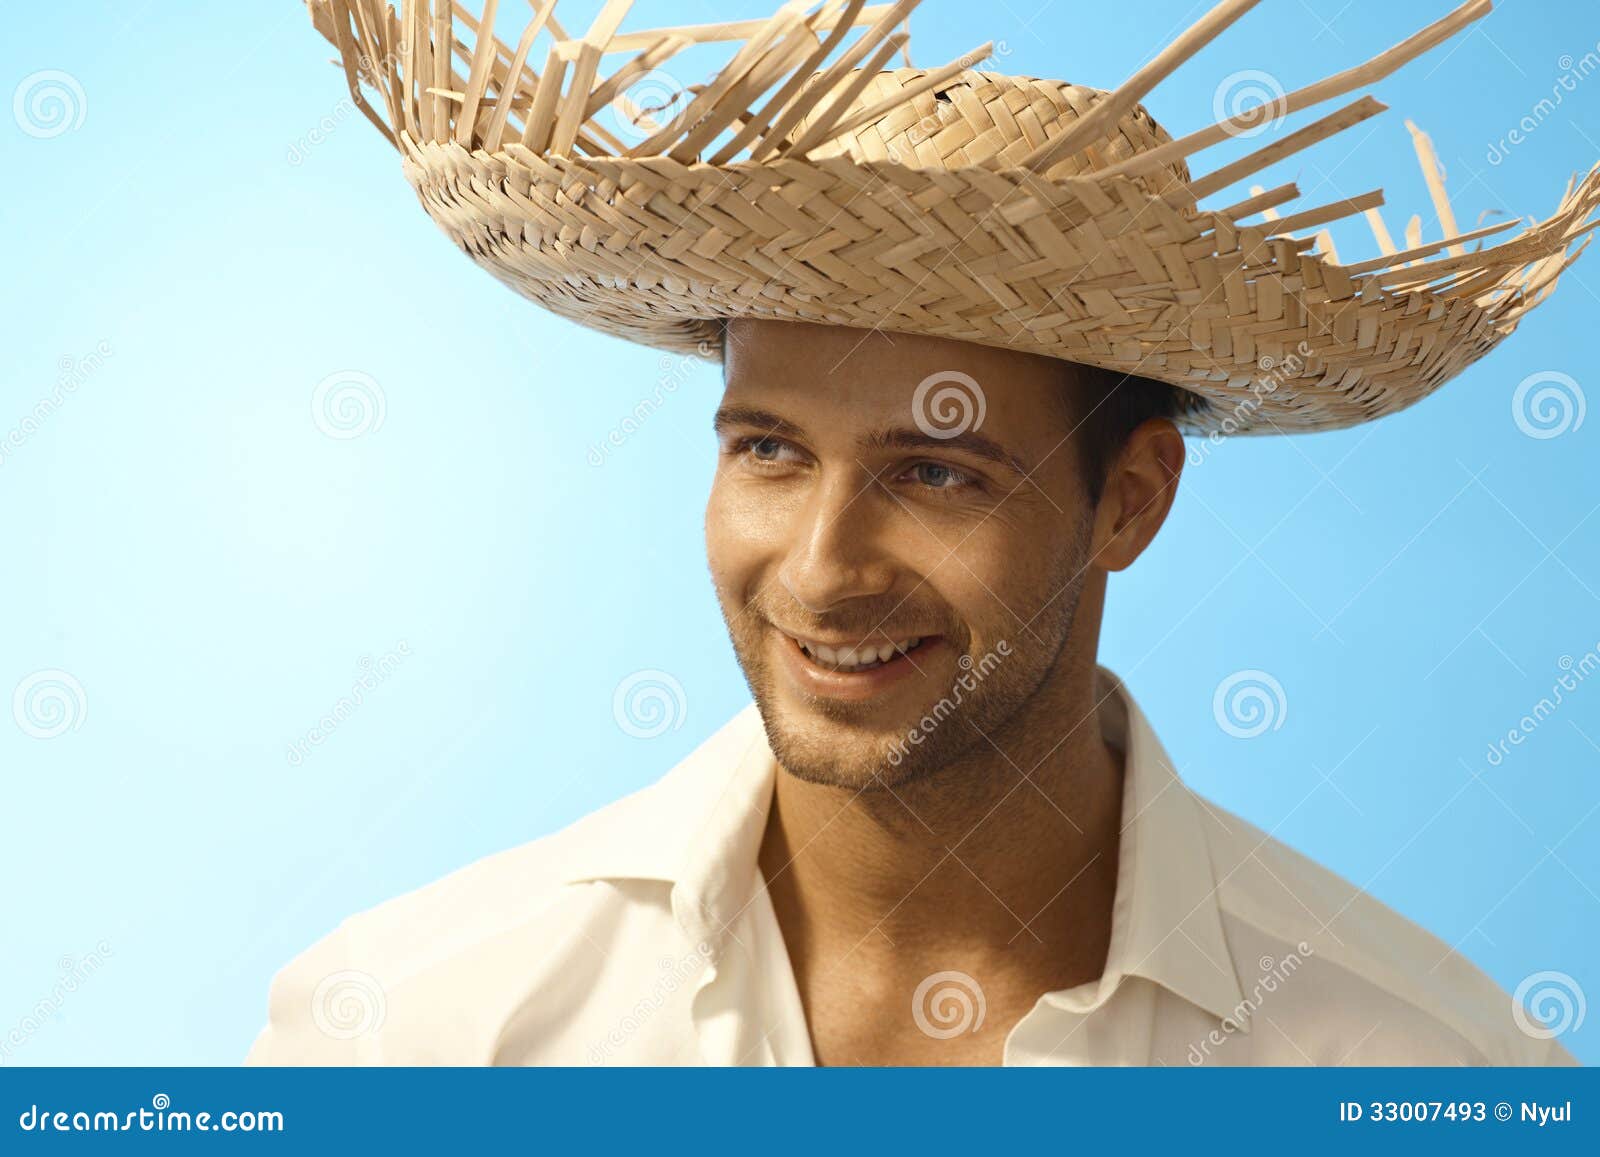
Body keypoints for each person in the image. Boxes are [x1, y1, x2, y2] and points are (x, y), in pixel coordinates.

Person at [249, 0, 1596, 1065]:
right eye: (769, 449)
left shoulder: (1421, 1065)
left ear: (1131, 497)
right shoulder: (416, 1034)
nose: (826, 568)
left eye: (940, 474)